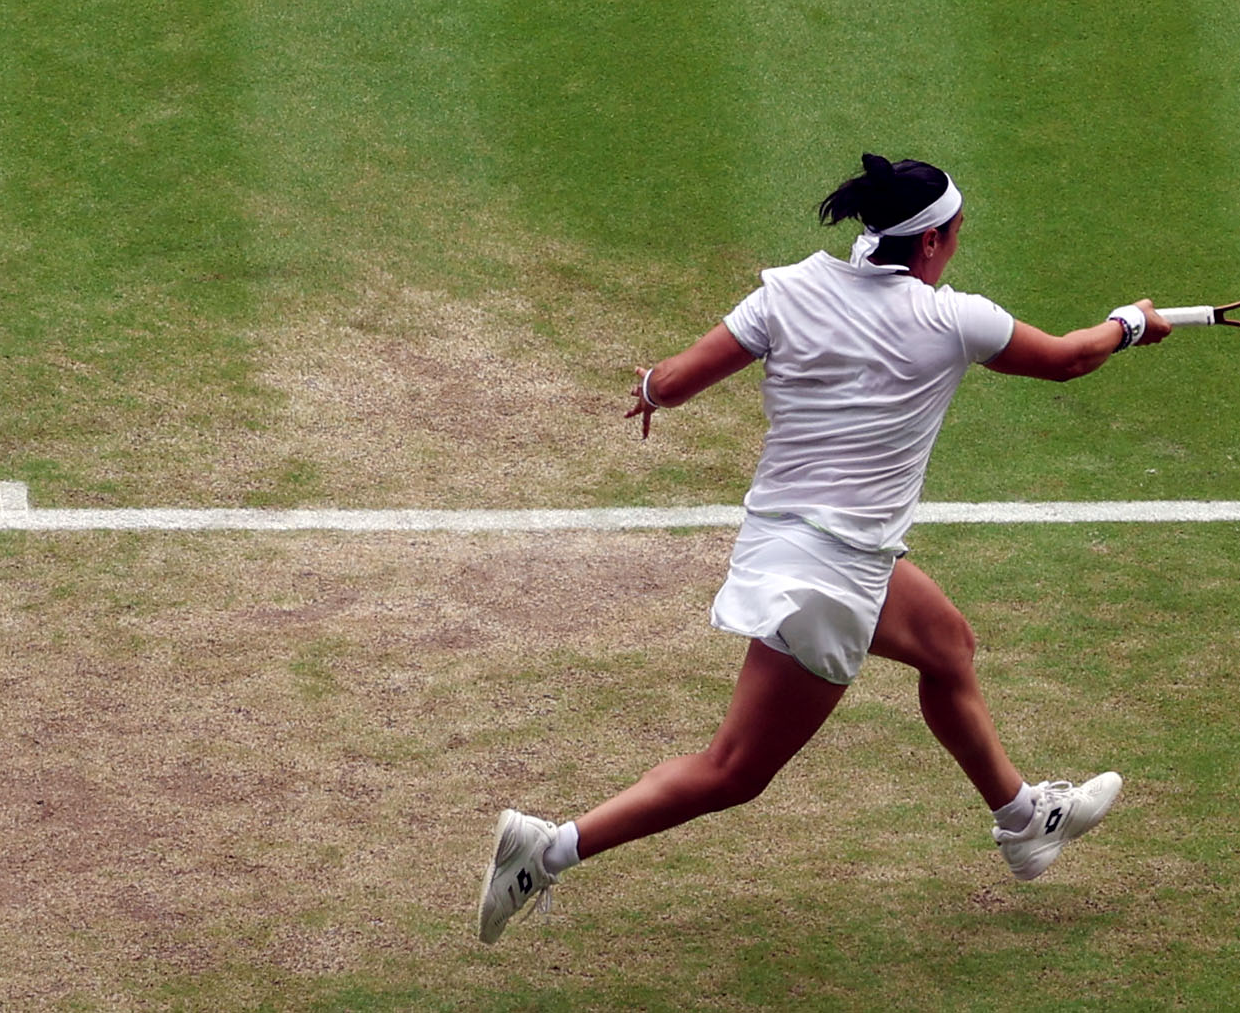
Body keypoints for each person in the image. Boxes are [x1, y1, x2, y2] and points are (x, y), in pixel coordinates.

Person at [475, 155, 1163, 942]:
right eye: (958, 235)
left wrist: (652, 390)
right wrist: (1132, 324)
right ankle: (546, 851)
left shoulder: (789, 292)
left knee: (947, 646)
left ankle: (1023, 821)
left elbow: (674, 380)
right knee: (733, 770)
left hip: (799, 547)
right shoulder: (952, 321)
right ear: (933, 242)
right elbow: (1071, 356)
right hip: (828, 582)